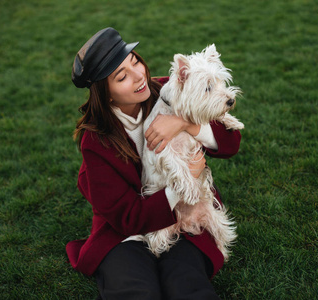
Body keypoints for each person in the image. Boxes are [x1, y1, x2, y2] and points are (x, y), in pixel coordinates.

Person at [66, 27, 242, 300]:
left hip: (187, 216)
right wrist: (183, 184)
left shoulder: (167, 91)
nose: (139, 76)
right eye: (122, 76)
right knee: (136, 290)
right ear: (106, 93)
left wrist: (185, 124)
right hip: (125, 231)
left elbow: (231, 143)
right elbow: (127, 217)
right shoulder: (96, 140)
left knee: (185, 283)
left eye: (135, 61)